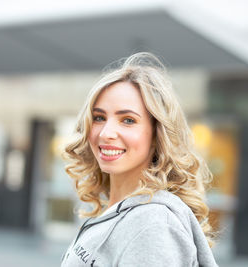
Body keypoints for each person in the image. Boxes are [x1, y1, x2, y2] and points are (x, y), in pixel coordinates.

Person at [61, 52, 218, 267]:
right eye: (99, 118)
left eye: (127, 120)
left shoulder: (153, 224)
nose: (106, 132)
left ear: (157, 135)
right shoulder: (124, 211)